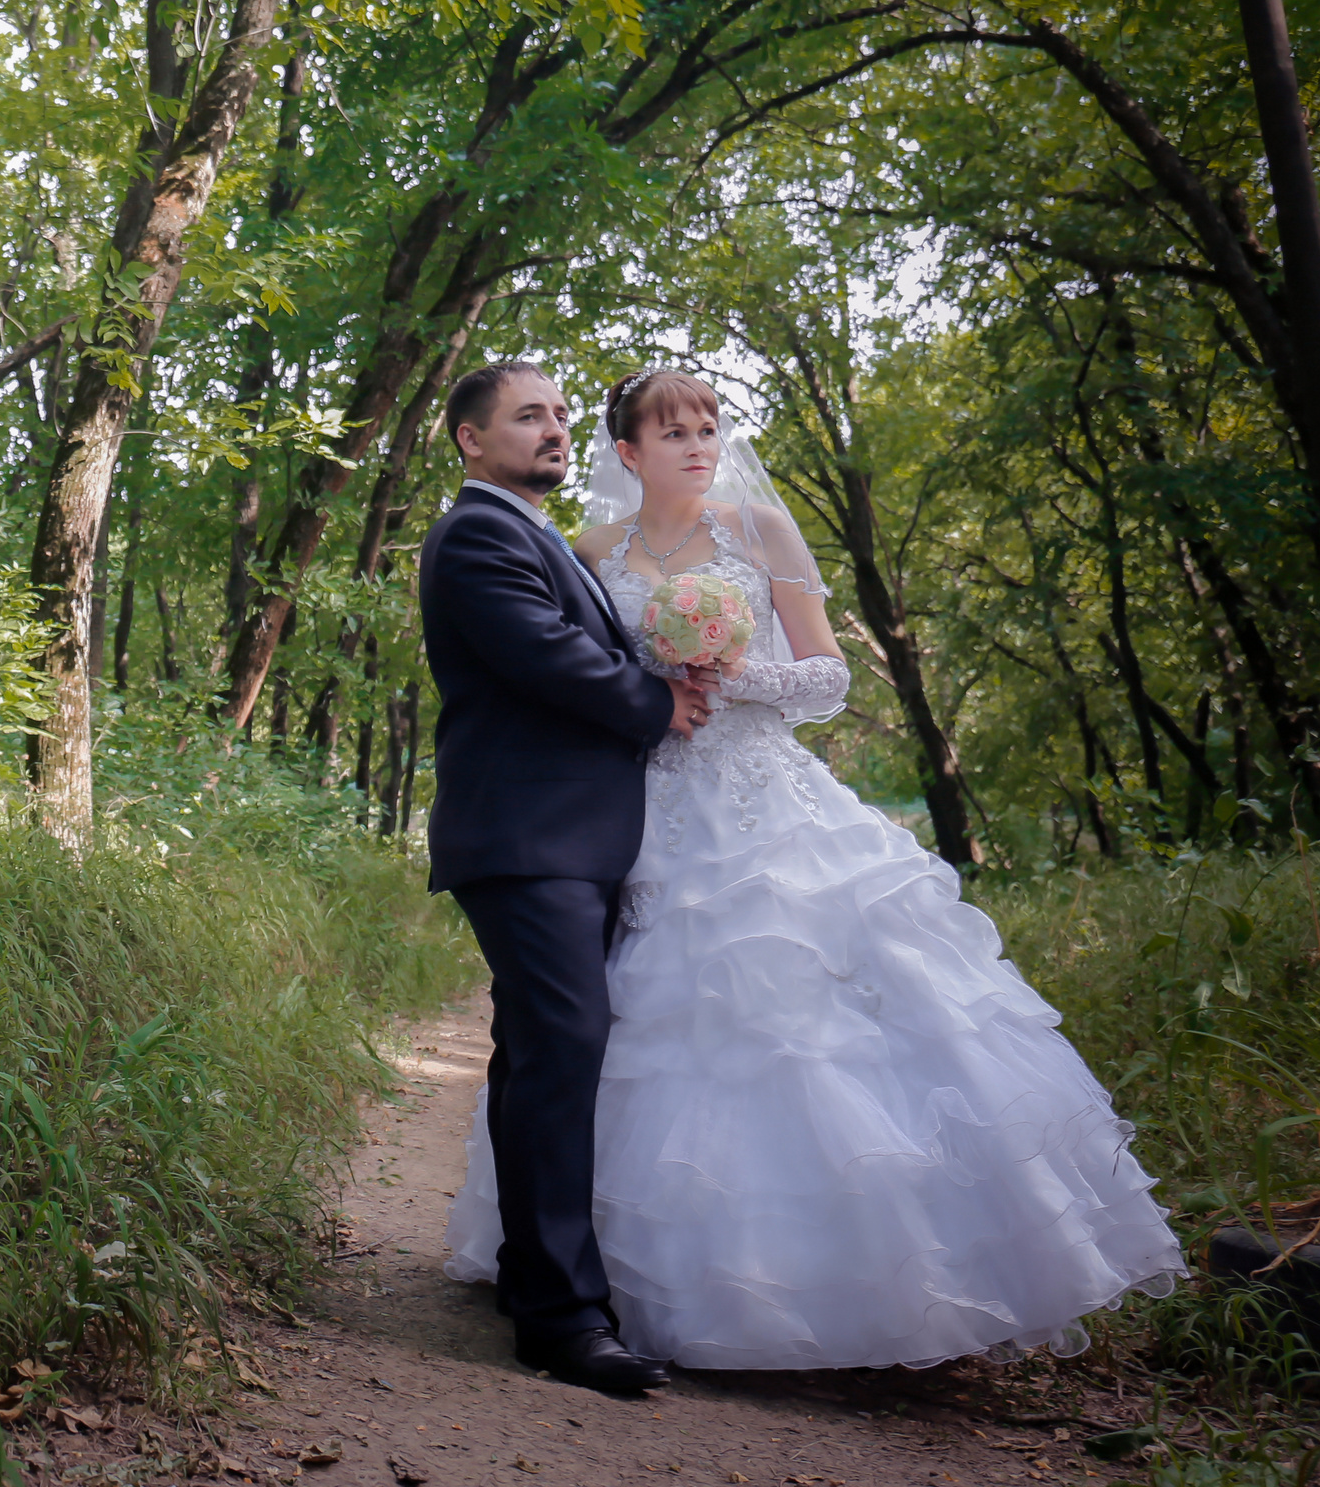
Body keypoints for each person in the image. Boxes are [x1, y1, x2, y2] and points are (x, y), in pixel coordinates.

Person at [441, 365, 1185, 1374]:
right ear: (630, 453)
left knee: (780, 1024)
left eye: (709, 427)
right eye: (673, 432)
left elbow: (826, 674)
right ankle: (571, 1290)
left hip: (752, 793)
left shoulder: (758, 533)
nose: (698, 445)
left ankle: (838, 1284)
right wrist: (656, 696)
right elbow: (561, 668)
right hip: (637, 812)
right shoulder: (579, 548)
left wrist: (728, 676)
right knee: (588, 1037)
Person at [419, 359, 716, 1394]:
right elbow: (543, 653)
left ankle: (529, 1277)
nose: (552, 430)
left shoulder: (539, 535)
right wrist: (656, 705)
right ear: (470, 439)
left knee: (538, 1052)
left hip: (573, 840)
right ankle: (561, 1318)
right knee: (563, 1045)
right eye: (526, 417)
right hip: (524, 837)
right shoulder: (478, 535)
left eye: (556, 415)